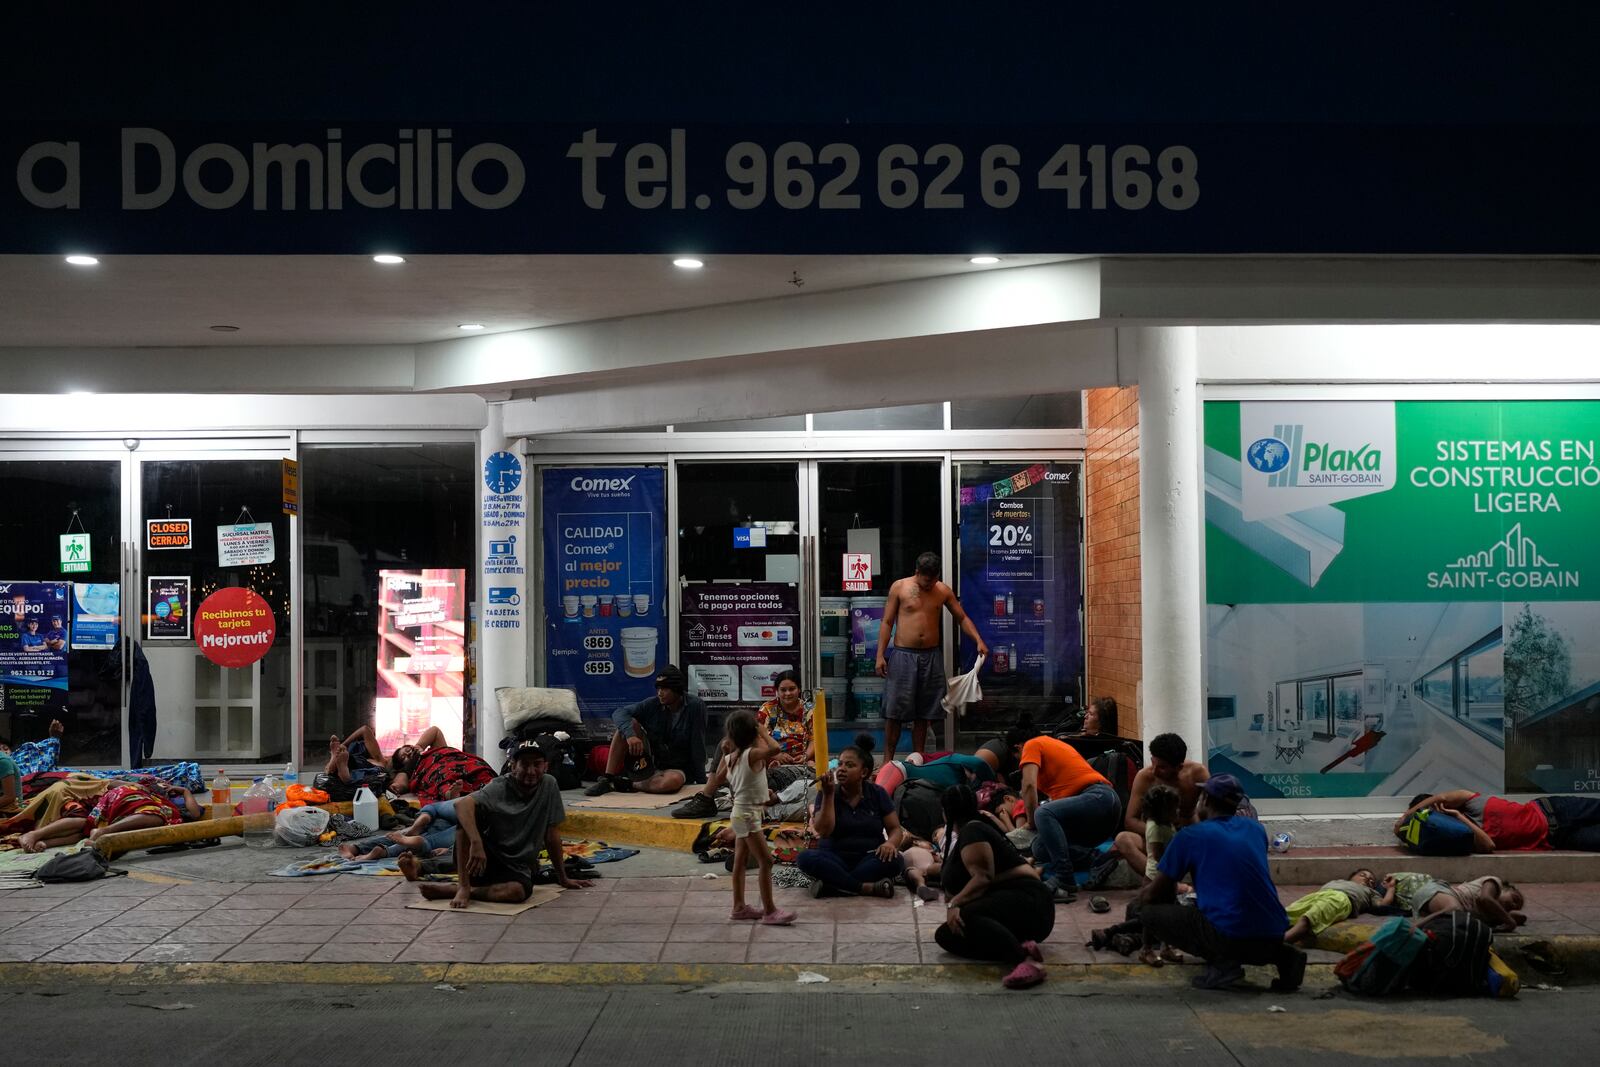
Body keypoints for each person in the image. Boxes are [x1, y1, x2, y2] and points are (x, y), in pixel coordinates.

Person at [1134, 774, 1305, 992]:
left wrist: (1140, 901)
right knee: (1231, 919)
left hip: (1230, 935)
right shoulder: (1255, 829)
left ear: (1204, 800)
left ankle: (1224, 965)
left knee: (1147, 910)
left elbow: (1155, 893)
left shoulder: (1190, 836)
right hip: (1274, 933)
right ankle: (1283, 955)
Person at [398, 739, 589, 907]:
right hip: (485, 859)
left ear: (545, 766)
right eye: (524, 764)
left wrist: (563, 878)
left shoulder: (549, 785)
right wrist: (476, 842)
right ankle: (463, 887)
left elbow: (552, 833)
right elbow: (462, 805)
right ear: (513, 766)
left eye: (537, 764)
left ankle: (457, 890)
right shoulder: (500, 785)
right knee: (465, 825)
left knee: (517, 892)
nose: (531, 771)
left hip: (517, 865)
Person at [934, 784, 1056, 989]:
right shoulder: (968, 833)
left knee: (965, 915)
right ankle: (1019, 947)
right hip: (1012, 909)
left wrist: (954, 903)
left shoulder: (973, 830)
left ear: (946, 812)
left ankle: (1024, 961)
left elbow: (983, 877)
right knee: (947, 935)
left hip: (1031, 903)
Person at [874, 552, 989, 764]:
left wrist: (978, 640)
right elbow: (887, 622)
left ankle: (919, 759)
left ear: (937, 576)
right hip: (903, 655)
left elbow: (961, 617)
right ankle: (887, 761)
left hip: (930, 656)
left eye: (932, 580)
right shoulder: (899, 587)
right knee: (894, 711)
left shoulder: (943, 590)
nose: (928, 585)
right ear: (917, 572)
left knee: (924, 712)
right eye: (925, 581)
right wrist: (880, 655)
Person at [671, 670, 812, 819]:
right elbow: (759, 738)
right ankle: (706, 797)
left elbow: (815, 739)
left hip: (796, 761)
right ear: (777, 691)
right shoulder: (768, 709)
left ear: (799, 689)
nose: (788, 694)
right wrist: (775, 754)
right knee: (724, 743)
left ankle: (708, 795)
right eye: (783, 690)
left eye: (792, 689)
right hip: (769, 758)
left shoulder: (809, 711)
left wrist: (804, 756)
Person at [796, 735, 906, 898]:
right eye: (839, 764)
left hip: (869, 856)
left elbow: (895, 829)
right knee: (805, 858)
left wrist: (890, 843)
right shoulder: (827, 792)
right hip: (833, 856)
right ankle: (864, 888)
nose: (841, 769)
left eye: (849, 765)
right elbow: (824, 832)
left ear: (864, 772)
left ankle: (833, 885)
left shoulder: (877, 794)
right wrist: (828, 795)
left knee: (897, 861)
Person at [1018, 733, 1121, 903]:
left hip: (1099, 798)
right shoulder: (1054, 749)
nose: (1022, 767)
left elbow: (1029, 785)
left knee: (1042, 813)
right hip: (1096, 818)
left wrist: (1030, 822)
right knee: (1040, 847)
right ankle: (1097, 860)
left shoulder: (1031, 743)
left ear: (1018, 748)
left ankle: (1064, 877)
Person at [721, 710, 796, 925]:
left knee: (740, 861)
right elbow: (775, 748)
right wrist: (762, 730)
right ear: (752, 733)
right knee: (766, 860)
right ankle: (770, 911)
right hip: (747, 816)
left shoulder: (731, 758)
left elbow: (740, 780)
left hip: (742, 813)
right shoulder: (750, 754)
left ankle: (739, 906)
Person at [588, 664, 708, 797]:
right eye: (658, 688)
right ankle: (608, 779)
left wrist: (702, 781)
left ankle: (626, 784)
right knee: (628, 724)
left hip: (678, 768)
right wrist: (630, 735)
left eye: (665, 689)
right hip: (651, 762)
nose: (659, 693)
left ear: (677, 689)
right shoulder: (652, 704)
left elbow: (698, 743)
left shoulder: (695, 706)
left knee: (671, 782)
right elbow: (619, 713)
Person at [1113, 732, 1211, 875]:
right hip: (1156, 837)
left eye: (1162, 767)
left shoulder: (1197, 774)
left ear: (1179, 767)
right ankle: (1163, 881)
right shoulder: (1145, 777)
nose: (1154, 770)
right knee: (1123, 839)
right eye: (1153, 762)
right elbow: (1130, 820)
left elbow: (1213, 810)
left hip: (1189, 835)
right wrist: (1162, 833)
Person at [15, 782, 203, 852]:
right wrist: (184, 791)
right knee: (155, 816)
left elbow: (194, 813)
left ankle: (40, 839)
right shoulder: (157, 797)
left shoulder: (166, 800)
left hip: (115, 803)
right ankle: (105, 831)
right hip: (129, 796)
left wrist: (183, 790)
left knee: (85, 827)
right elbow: (195, 814)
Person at [1394, 789, 1600, 852]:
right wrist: (1457, 818)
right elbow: (1489, 845)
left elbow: (1440, 798)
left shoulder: (1470, 802)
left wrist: (1405, 817)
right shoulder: (1463, 834)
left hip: (1555, 810)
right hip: (1557, 839)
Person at [1282, 869, 1391, 946]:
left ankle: (1281, 941)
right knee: (1285, 914)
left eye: (1371, 880)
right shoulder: (1340, 881)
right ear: (1351, 877)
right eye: (1362, 875)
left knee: (1310, 917)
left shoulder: (1370, 892)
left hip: (1342, 898)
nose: (1367, 878)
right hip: (1317, 895)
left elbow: (1383, 904)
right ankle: (1270, 935)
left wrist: (1391, 887)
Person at [1401, 872, 1527, 932]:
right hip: (1436, 892)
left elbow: (1521, 918)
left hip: (1431, 908)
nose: (1512, 905)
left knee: (1456, 922)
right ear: (1505, 889)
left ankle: (1423, 928)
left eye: (1513, 908)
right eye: (1514, 899)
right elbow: (1485, 899)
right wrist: (1509, 921)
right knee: (1455, 910)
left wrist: (1508, 917)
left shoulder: (1493, 916)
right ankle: (1412, 929)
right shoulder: (1494, 883)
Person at [340, 799, 459, 861]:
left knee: (431, 821)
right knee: (428, 841)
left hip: (460, 810)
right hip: (468, 817)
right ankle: (387, 851)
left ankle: (356, 848)